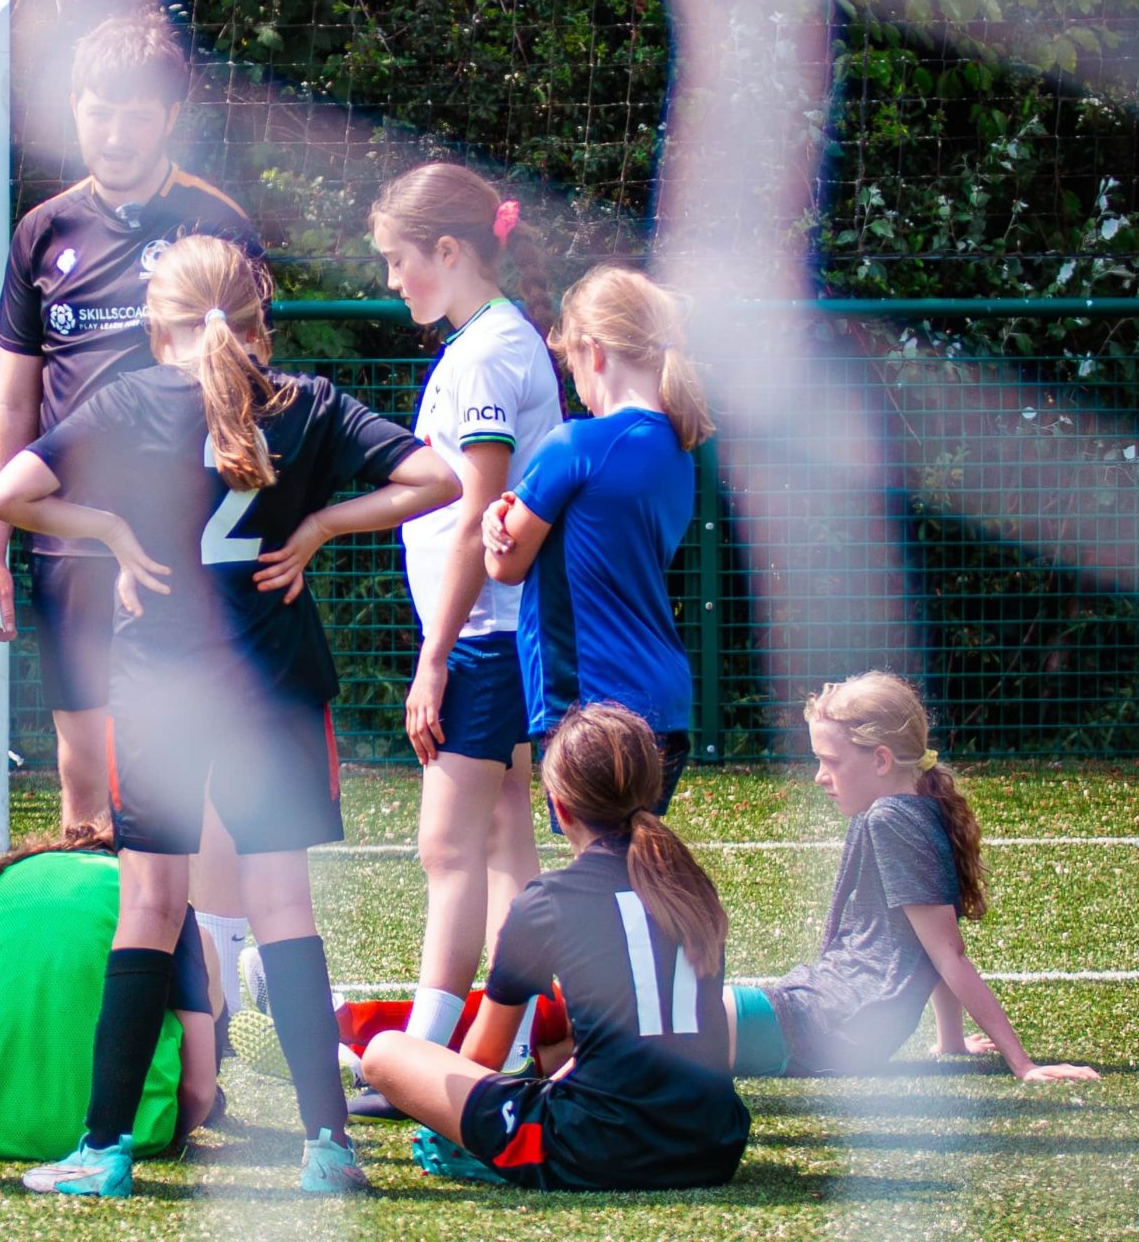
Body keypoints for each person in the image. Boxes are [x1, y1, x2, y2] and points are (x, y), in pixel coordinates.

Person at [0, 234, 459, 1197]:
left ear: (153, 323)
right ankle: (326, 1148)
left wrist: (110, 531)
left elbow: (8, 493)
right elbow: (439, 479)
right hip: (275, 693)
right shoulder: (308, 405)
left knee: (151, 912)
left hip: (163, 696)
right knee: (285, 908)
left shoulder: (123, 403)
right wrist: (320, 525)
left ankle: (105, 1150)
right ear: (260, 321)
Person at [0, 13, 268, 848]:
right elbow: (12, 402)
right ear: (75, 110)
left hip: (184, 538)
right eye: (99, 111)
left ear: (170, 117)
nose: (116, 132)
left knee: (189, 763)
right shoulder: (43, 232)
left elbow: (252, 385)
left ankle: (197, 955)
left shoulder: (217, 228)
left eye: (137, 114)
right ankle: (105, 964)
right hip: (68, 535)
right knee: (82, 773)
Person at [365, 702, 750, 1192]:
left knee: (386, 1052)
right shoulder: (689, 882)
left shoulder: (549, 901)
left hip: (598, 1149)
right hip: (714, 1145)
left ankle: (487, 1154)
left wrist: (451, 1110)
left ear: (559, 805)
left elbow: (483, 1058)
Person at [370, 163, 564, 1100]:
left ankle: (432, 1053)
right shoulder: (492, 341)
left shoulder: (487, 352)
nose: (393, 281)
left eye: (400, 261)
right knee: (502, 849)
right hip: (500, 633)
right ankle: (522, 1034)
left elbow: (480, 509)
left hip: (487, 636)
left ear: (449, 252)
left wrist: (434, 656)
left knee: (450, 851)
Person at [729, 672, 1100, 1083]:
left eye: (830, 761)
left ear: (882, 760)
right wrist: (952, 1042)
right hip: (815, 1020)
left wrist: (1023, 1065)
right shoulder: (912, 809)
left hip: (819, 1027)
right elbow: (930, 942)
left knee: (660, 1027)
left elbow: (948, 953)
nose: (819, 776)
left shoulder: (892, 819)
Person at [483, 266, 711, 813]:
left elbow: (505, 566)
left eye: (572, 364)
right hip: (662, 701)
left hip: (593, 706)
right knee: (633, 868)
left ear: (595, 351)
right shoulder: (679, 453)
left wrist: (498, 518)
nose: (576, 385)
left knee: (603, 873)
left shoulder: (577, 444)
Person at [0, 826, 221, 1161]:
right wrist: (170, 1126)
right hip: (134, 1130)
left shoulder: (5, 882)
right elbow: (198, 1092)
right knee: (202, 945)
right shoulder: (156, 898)